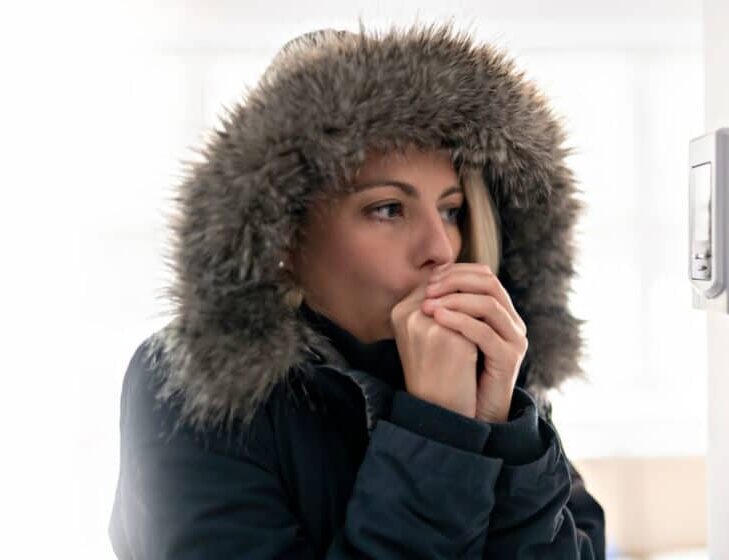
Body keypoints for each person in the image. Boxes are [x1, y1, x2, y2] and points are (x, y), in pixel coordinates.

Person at [109, 22, 606, 559]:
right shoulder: (194, 385)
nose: (440, 248)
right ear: (286, 236)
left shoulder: (488, 367)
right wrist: (437, 433)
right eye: (387, 209)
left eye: (451, 210)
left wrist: (501, 430)